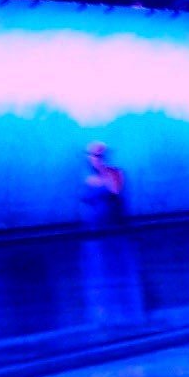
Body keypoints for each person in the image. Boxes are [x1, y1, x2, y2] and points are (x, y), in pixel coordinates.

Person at [80, 142, 144, 332]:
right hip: (97, 236)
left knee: (120, 273)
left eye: (99, 156)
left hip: (117, 234)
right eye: (93, 156)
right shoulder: (88, 180)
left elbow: (116, 192)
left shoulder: (114, 174)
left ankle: (129, 317)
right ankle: (106, 319)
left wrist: (102, 180)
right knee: (103, 275)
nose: (95, 160)